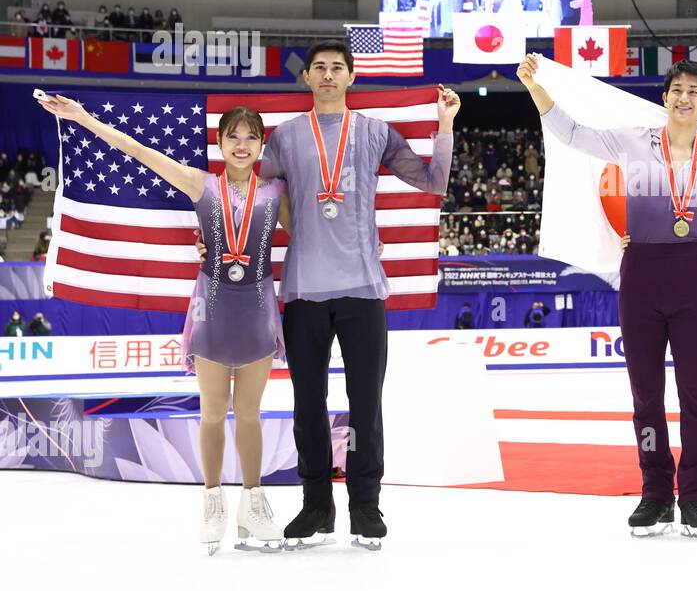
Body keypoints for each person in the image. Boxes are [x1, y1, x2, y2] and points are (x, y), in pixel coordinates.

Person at [200, 40, 459, 550]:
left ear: (351, 77)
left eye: (336, 67)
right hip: (303, 292)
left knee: (366, 403)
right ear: (307, 78)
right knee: (308, 406)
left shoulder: (376, 132)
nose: (327, 74)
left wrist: (445, 125)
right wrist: (210, 232)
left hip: (363, 288)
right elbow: (251, 196)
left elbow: (433, 183)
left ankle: (366, 506)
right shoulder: (284, 138)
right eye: (318, 67)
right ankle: (316, 505)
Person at [517, 53, 697, 538]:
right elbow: (574, 134)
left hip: (688, 275)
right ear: (664, 99)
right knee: (645, 394)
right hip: (639, 270)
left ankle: (696, 495)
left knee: (695, 395)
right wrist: (537, 88)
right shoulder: (634, 142)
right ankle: (655, 493)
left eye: (694, 91)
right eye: (676, 90)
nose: (684, 98)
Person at [40, 94, 291, 554]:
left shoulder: (276, 192)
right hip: (212, 309)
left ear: (261, 145)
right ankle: (212, 502)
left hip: (257, 308)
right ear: (219, 143)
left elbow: (313, 230)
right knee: (213, 412)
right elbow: (140, 151)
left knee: (251, 413)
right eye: (232, 136)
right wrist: (82, 118)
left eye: (250, 137)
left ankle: (253, 504)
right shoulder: (200, 184)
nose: (241, 144)